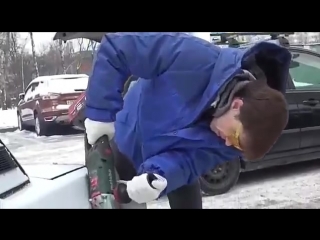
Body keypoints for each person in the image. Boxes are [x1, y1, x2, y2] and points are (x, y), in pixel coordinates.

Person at [84, 32, 291, 209]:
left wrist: (159, 178)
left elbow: (189, 162)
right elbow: (117, 47)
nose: (229, 144)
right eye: (235, 137)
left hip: (165, 167)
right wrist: (100, 115)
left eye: (237, 146)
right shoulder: (191, 57)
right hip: (120, 141)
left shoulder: (232, 141)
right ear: (237, 106)